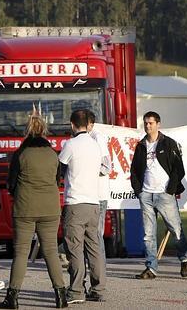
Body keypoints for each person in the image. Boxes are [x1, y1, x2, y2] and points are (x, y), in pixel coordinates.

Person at [0, 112, 67, 308]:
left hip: (25, 208)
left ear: (26, 130)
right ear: (44, 130)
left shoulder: (21, 154)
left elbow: (10, 184)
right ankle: (60, 296)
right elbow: (57, 180)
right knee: (51, 251)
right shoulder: (53, 154)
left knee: (20, 253)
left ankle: (12, 297)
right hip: (50, 208)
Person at [130, 111, 187, 280]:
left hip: (165, 194)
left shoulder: (169, 143)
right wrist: (139, 190)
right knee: (148, 234)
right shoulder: (141, 145)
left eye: (151, 123)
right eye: (146, 123)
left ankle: (184, 258)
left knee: (176, 229)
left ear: (158, 124)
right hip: (146, 194)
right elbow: (134, 170)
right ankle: (151, 268)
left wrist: (170, 189)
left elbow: (179, 169)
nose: (148, 126)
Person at [60, 109, 106, 304]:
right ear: (88, 124)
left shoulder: (70, 144)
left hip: (75, 202)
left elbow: (60, 167)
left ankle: (76, 290)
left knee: (75, 248)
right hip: (93, 203)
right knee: (94, 247)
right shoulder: (95, 146)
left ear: (72, 124)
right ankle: (98, 288)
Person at [86, 110, 111, 261]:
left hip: (99, 195)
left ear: (91, 125)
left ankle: (100, 265)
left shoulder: (97, 138)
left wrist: (87, 172)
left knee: (97, 233)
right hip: (87, 194)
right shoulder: (82, 138)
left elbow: (107, 167)